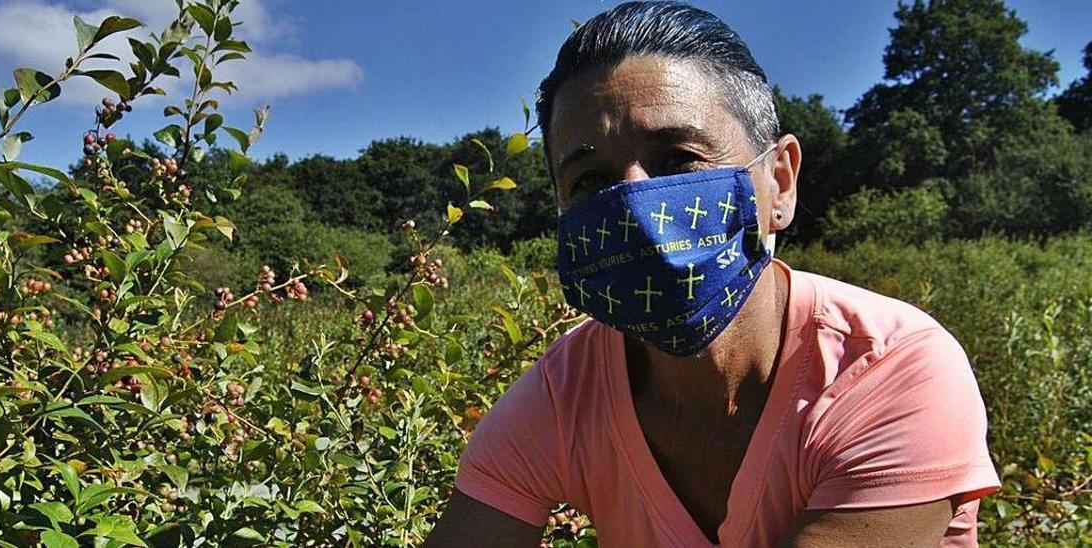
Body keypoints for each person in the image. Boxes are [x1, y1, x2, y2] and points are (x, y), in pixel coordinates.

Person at [424, 2, 1000, 546]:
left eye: (678, 159)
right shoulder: (563, 393)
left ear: (780, 181)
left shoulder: (889, 367)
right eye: (590, 182)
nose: (634, 205)